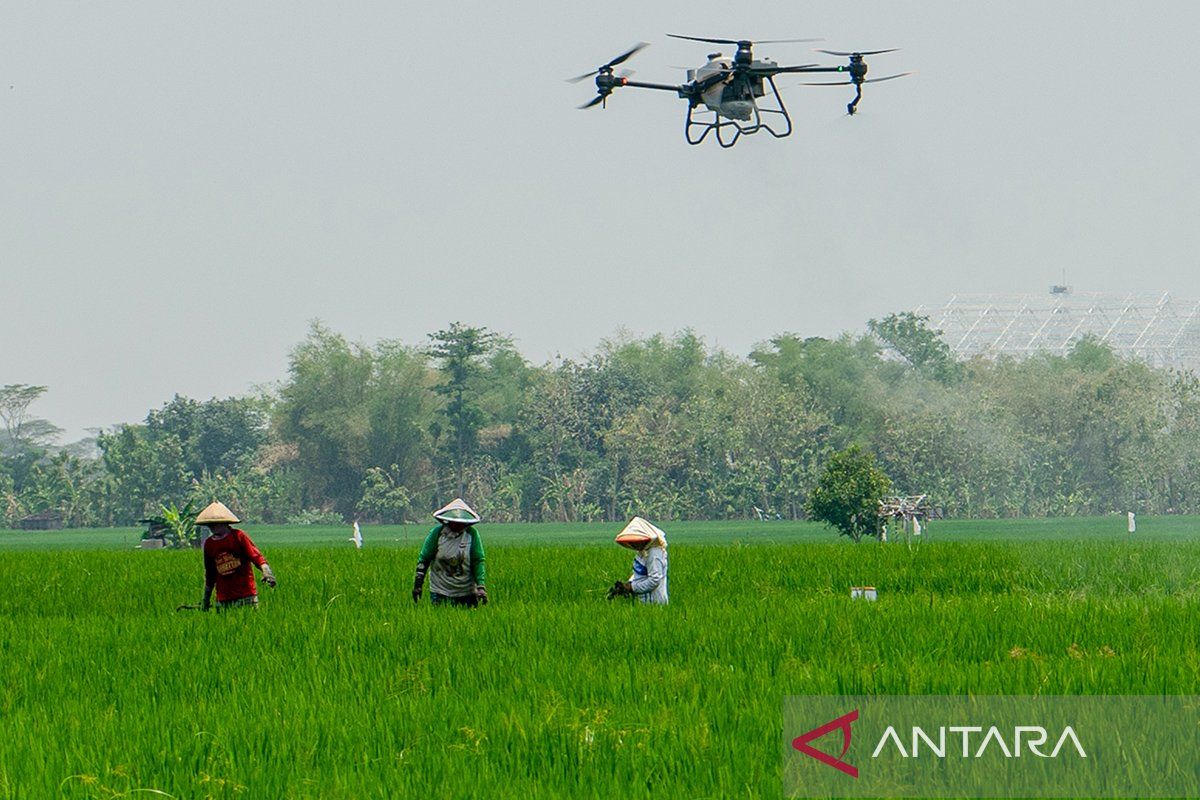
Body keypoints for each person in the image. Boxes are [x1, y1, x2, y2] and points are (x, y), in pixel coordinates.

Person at [196, 501, 276, 611]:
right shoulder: (209, 544)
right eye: (210, 524)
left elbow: (256, 556)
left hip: (246, 595)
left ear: (224, 522)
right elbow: (210, 573)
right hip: (224, 598)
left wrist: (267, 572)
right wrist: (206, 599)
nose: (212, 527)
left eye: (215, 523)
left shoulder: (238, 536)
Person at [412, 498, 488, 607]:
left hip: (466, 591)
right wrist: (418, 585)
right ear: (448, 521)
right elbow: (424, 559)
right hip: (440, 590)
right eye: (455, 522)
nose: (457, 525)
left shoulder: (471, 535)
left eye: (460, 523)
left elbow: (478, 561)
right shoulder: (437, 534)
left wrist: (480, 586)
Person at [608, 516, 669, 605]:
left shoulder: (654, 554)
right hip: (643, 601)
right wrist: (627, 584)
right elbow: (640, 574)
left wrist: (632, 587)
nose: (634, 544)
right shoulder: (643, 551)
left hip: (653, 602)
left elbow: (654, 580)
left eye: (636, 541)